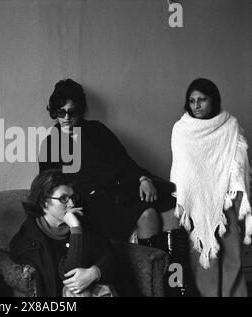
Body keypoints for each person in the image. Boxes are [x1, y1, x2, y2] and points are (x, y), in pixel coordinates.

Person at [39, 78, 194, 296]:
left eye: (72, 112)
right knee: (148, 214)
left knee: (171, 209)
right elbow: (48, 186)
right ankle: (158, 286)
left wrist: (143, 179)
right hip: (90, 204)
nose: (66, 118)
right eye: (61, 112)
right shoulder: (50, 144)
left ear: (80, 111)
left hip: (120, 191)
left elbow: (124, 162)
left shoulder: (97, 130)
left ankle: (178, 285)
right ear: (54, 111)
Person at [170, 78, 252, 297]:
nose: (196, 105)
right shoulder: (181, 129)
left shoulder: (230, 125)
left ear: (213, 100)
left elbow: (239, 160)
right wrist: (195, 193)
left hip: (226, 197)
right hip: (195, 200)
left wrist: (226, 189)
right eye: (192, 100)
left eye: (202, 100)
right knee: (202, 256)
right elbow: (182, 168)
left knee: (231, 252)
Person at [10, 169, 117, 297]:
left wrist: (94, 272)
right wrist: (76, 229)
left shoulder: (84, 222)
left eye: (73, 197)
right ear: (44, 203)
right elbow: (70, 276)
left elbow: (109, 254)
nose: (72, 204)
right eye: (63, 198)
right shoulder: (27, 241)